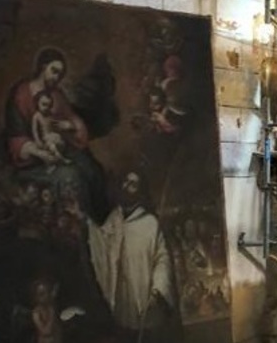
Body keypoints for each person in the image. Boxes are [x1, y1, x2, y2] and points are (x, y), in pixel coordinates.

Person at [88, 170, 179, 343]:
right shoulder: (114, 219)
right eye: (126, 182)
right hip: (124, 301)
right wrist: (85, 222)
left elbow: (162, 259)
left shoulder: (150, 224)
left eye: (133, 184)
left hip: (146, 298)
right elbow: (102, 244)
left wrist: (158, 290)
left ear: (140, 191)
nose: (127, 186)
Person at [30, 91, 70, 167]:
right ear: (37, 103)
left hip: (52, 135)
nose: (46, 108)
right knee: (52, 146)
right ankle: (61, 159)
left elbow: (54, 123)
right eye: (44, 104)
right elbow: (34, 130)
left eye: (49, 105)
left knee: (61, 143)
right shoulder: (37, 116)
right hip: (45, 138)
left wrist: (62, 125)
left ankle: (56, 159)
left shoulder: (49, 114)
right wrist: (37, 141)